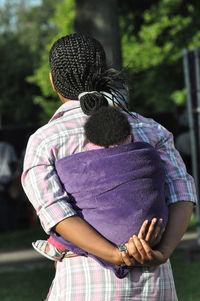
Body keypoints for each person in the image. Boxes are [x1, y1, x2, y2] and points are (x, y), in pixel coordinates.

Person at [21, 33, 196, 300]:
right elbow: (182, 193)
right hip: (156, 285)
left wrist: (116, 255)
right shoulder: (151, 129)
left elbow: (55, 212)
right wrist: (164, 251)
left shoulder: (45, 141)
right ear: (103, 73)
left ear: (52, 81)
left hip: (84, 283)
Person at [31, 106, 168, 269]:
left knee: (79, 216)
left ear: (88, 142)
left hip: (105, 237)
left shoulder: (71, 163)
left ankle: (58, 244)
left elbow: (55, 204)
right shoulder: (148, 152)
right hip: (152, 231)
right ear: (130, 136)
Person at [0, 131, 18, 231]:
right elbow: (14, 163)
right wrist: (13, 176)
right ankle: (12, 227)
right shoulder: (9, 147)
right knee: (11, 205)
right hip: (8, 179)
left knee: (2, 206)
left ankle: (4, 228)